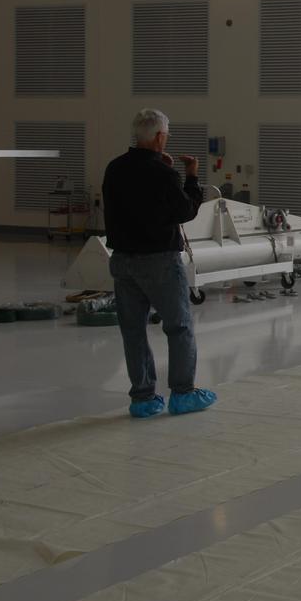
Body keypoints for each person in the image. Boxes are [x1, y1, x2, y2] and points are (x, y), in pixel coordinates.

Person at [102, 109, 215, 418]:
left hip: (123, 260)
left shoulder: (114, 168)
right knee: (179, 327)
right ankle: (183, 393)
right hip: (159, 261)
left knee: (133, 330)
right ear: (160, 137)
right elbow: (185, 212)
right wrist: (191, 176)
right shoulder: (163, 173)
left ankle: (143, 398)